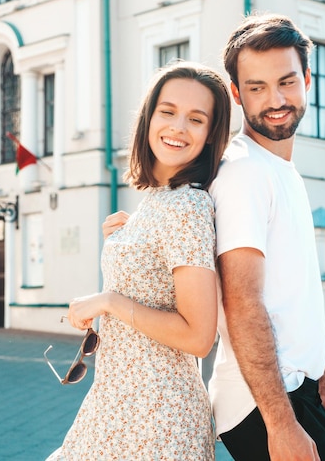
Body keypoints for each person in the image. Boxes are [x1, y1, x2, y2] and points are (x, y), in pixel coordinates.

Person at [44, 61, 231, 460]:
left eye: (196, 119)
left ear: (211, 135)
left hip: (155, 416)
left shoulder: (187, 205)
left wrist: (108, 301)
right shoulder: (161, 201)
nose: (178, 127)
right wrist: (132, 240)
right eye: (168, 111)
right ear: (148, 117)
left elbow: (199, 337)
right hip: (121, 404)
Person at [207, 13, 325, 460]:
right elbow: (243, 302)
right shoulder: (245, 173)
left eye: (287, 82)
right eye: (256, 87)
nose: (275, 99)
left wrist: (322, 386)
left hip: (298, 391)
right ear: (236, 93)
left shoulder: (279, 168)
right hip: (264, 403)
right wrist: (281, 423)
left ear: (307, 79)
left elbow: (292, 299)